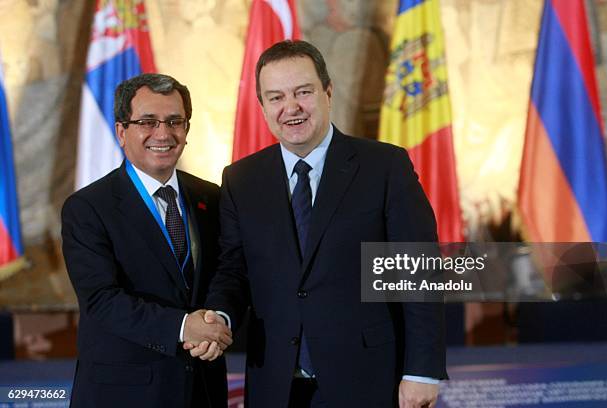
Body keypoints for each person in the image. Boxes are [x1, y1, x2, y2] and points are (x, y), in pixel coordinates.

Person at [189, 41, 447, 407]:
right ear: (262, 107)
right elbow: (234, 270)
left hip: (369, 379)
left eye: (303, 92)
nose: (290, 108)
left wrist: (421, 371)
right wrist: (219, 315)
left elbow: (419, 271)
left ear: (328, 92)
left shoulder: (385, 167)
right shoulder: (241, 179)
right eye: (275, 97)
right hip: (275, 383)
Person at [62, 73, 232, 408]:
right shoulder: (87, 207)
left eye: (174, 121)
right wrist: (184, 327)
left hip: (203, 386)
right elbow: (101, 300)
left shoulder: (211, 197)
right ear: (121, 132)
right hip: (125, 392)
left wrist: (218, 321)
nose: (163, 133)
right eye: (147, 122)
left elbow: (229, 271)